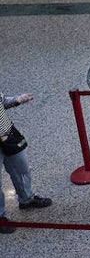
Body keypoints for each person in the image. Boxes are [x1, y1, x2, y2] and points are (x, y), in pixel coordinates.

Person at [0, 92, 52, 234]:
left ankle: (26, 199)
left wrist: (16, 100)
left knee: (21, 168)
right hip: (3, 136)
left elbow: (2, 101)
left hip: (8, 135)